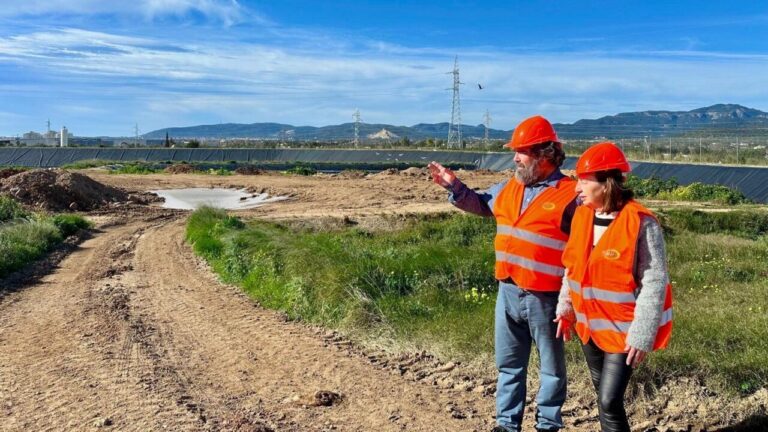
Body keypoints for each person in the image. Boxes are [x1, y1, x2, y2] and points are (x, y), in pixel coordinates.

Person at [429, 115, 577, 432]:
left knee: (551, 369)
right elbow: (481, 204)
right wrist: (453, 186)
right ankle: (507, 425)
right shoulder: (509, 188)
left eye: (521, 151)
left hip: (546, 297)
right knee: (509, 366)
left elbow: (582, 251)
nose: (515, 157)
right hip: (507, 291)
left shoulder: (571, 195)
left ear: (545, 154)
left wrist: (571, 300)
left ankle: (548, 425)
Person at [554, 142, 673, 432]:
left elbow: (654, 281)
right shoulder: (583, 216)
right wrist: (565, 307)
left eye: (584, 180)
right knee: (604, 398)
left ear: (606, 183)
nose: (576, 187)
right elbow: (573, 267)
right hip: (590, 327)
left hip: (625, 332)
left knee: (608, 400)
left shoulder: (641, 223)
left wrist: (642, 334)